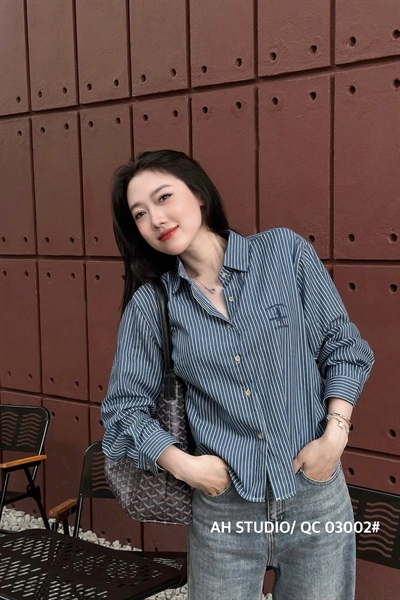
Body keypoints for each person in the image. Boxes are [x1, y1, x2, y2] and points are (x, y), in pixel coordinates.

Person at [101, 149, 374, 600]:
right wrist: (185, 466)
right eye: (140, 214)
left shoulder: (284, 253)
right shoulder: (152, 305)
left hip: (315, 496)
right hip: (224, 511)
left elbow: (343, 345)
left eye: (164, 197)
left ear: (198, 193)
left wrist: (335, 434)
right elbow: (123, 411)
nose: (156, 218)